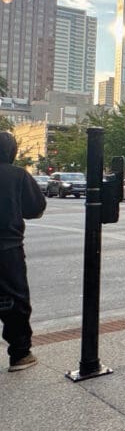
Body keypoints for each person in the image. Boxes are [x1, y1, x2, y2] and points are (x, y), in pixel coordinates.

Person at [0, 131, 47, 372]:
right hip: (7, 248)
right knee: (14, 300)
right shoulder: (18, 176)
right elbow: (36, 208)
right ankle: (20, 353)